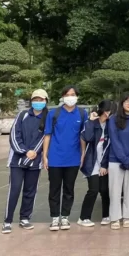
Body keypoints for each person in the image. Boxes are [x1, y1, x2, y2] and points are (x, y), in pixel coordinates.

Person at [2, 89, 48, 233]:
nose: (38, 102)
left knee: (30, 190)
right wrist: (24, 151)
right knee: (14, 189)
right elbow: (14, 135)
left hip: (35, 160)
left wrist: (34, 152)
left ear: (46, 101)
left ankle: (25, 218)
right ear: (31, 101)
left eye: (41, 100)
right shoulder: (23, 115)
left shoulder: (47, 118)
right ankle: (7, 220)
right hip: (17, 160)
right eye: (36, 99)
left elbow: (46, 137)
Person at [43, 85, 87, 231]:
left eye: (73, 94)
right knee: (54, 189)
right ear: (62, 97)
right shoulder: (53, 114)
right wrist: (44, 155)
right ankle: (55, 218)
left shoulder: (82, 114)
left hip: (73, 158)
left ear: (77, 96)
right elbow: (47, 135)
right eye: (67, 94)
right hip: (55, 158)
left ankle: (65, 217)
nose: (70, 97)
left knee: (69, 189)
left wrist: (83, 153)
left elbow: (83, 136)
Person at [108, 93, 129, 230]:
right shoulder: (113, 119)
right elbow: (114, 140)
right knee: (115, 191)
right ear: (121, 103)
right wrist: (123, 158)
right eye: (127, 101)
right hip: (115, 159)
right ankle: (115, 218)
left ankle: (127, 216)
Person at [78, 99, 113, 227]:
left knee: (104, 190)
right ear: (101, 110)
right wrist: (90, 121)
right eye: (107, 110)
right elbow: (87, 137)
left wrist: (104, 165)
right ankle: (84, 217)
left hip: (104, 162)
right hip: (92, 161)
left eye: (110, 111)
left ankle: (106, 215)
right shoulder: (92, 122)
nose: (108, 114)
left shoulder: (110, 125)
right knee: (93, 189)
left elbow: (110, 146)